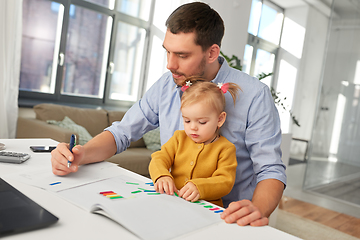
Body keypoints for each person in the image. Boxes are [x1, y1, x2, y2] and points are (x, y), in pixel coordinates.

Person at [50, 2, 286, 226]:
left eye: (182, 55)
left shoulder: (255, 95)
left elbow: (270, 169)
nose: (170, 65)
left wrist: (258, 209)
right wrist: (81, 155)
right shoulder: (167, 84)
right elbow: (122, 133)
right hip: (173, 208)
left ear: (212, 53)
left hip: (226, 219)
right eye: (167, 52)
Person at [149, 78, 240, 207]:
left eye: (202, 122)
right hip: (173, 201)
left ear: (220, 119)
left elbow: (225, 181)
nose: (193, 127)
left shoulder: (226, 148)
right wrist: (162, 176)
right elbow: (159, 158)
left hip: (206, 208)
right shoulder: (179, 138)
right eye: (187, 121)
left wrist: (200, 187)